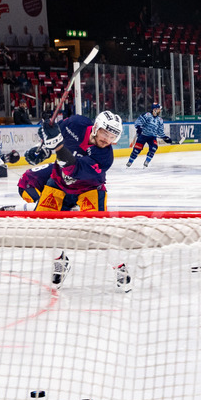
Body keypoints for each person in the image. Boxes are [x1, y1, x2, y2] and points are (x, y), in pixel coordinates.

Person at [35, 110, 130, 291]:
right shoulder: (75, 124)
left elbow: (73, 169)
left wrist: (57, 147)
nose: (107, 139)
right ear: (95, 127)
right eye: (105, 132)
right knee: (42, 228)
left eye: (112, 136)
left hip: (89, 189)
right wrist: (42, 146)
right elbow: (52, 133)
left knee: (98, 233)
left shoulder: (105, 157)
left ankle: (119, 266)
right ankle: (60, 261)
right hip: (58, 183)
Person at [127, 102, 176, 168]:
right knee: (136, 150)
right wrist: (139, 128)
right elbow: (138, 122)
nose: (160, 111)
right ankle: (130, 162)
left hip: (152, 137)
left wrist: (165, 138)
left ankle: (147, 162)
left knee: (154, 148)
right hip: (143, 136)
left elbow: (160, 132)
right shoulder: (147, 115)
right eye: (159, 109)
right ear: (155, 109)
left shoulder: (160, 120)